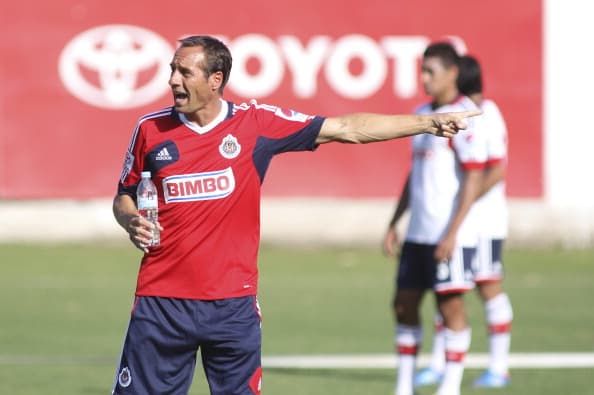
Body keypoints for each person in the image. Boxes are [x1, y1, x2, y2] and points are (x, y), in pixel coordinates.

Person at [111, 35, 479, 395]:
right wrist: (131, 220)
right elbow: (123, 197)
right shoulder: (150, 130)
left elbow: (347, 129)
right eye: (172, 70)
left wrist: (429, 123)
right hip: (161, 302)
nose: (173, 80)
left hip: (232, 306)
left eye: (184, 72)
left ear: (216, 80)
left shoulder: (255, 124)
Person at [382, 42, 487, 395]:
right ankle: (404, 385)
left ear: (452, 72)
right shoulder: (423, 113)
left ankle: (450, 387)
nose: (424, 78)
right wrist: (396, 221)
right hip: (418, 233)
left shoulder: (466, 115)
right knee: (404, 304)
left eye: (431, 71)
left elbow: (474, 176)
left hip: (449, 234)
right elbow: (416, 174)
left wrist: (453, 232)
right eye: (422, 71)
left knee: (451, 305)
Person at [414, 55, 513, 389]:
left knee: (487, 284)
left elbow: (494, 170)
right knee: (447, 293)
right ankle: (441, 363)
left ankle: (499, 366)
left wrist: (462, 205)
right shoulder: (440, 112)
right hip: (455, 218)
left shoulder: (487, 114)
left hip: (484, 218)